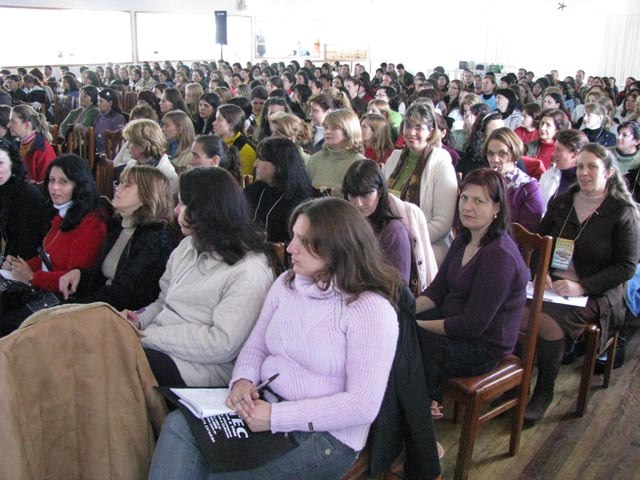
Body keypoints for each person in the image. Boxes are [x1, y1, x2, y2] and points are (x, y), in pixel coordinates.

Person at [148, 197, 400, 480]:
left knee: (217, 475)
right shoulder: (287, 284)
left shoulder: (370, 310)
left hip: (326, 436)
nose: (291, 248)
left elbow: (361, 406)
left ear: (337, 248)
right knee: (178, 425)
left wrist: (275, 418)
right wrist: (242, 380)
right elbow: (257, 345)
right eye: (293, 236)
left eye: (303, 242)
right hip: (265, 407)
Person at [119, 167, 276, 388]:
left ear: (206, 210)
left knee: (118, 362)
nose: (175, 211)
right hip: (163, 344)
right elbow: (164, 301)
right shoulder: (188, 245)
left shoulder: (249, 270)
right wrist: (140, 319)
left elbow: (222, 344)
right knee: (97, 341)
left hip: (205, 367)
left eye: (182, 204)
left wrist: (147, 336)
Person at [524, 144, 639, 423]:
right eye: (580, 167)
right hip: (554, 284)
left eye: (592, 167)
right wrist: (541, 271)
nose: (584, 173)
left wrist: (583, 286)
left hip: (596, 292)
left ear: (609, 172)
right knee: (515, 309)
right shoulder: (564, 200)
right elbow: (540, 243)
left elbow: (626, 266)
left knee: (548, 321)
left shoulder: (621, 211)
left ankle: (543, 390)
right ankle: (515, 380)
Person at [415, 168, 529, 417]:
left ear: (497, 207)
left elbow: (471, 326)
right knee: (402, 327)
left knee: (413, 341)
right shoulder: (463, 239)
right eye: (464, 198)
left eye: (479, 201)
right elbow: (437, 291)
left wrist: (417, 325)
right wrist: (405, 309)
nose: (467, 207)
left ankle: (423, 409)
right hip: (456, 325)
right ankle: (422, 404)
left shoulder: (499, 256)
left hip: (484, 347)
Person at [0, 154, 107, 336]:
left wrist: (32, 277)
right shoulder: (62, 215)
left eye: (63, 182)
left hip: (65, 301)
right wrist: (18, 266)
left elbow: (73, 281)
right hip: (44, 288)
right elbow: (47, 257)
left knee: (7, 321)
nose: (54, 187)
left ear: (78, 185)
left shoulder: (91, 224)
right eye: (51, 180)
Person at [58, 165, 176, 311]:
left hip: (123, 315)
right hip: (101, 306)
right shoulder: (119, 228)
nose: (117, 188)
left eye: (127, 185)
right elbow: (103, 276)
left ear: (147, 195)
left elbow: (125, 294)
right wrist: (80, 274)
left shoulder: (154, 238)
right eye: (120, 183)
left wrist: (72, 309)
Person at [382, 103, 458, 265]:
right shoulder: (395, 157)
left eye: (419, 127)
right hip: (387, 240)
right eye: (408, 126)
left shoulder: (441, 164)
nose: (411, 133)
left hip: (425, 248)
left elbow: (442, 223)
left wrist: (405, 241)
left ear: (430, 132)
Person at [343, 159, 412, 283]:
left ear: (380, 192)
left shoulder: (394, 232)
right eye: (353, 195)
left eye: (365, 195)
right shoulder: (345, 225)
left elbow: (400, 288)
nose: (358, 203)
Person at [244, 137, 313, 242]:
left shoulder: (298, 202)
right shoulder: (254, 190)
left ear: (279, 165)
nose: (255, 164)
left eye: (261, 159)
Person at [484, 127, 544, 232]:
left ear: (513, 155)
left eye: (502, 153)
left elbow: (526, 235)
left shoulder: (528, 188)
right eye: (490, 153)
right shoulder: (482, 182)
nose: (495, 159)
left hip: (508, 246)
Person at [0, 138, 46, 260]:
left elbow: (28, 244)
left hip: (26, 263)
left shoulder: (27, 195)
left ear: (12, 163)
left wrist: (10, 258)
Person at [307, 109, 366, 193]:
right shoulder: (314, 160)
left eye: (334, 128)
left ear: (348, 131)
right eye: (326, 127)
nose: (327, 132)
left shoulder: (360, 163)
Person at [118, 119, 178, 193]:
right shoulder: (132, 164)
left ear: (142, 146)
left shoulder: (166, 175)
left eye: (130, 142)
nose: (127, 147)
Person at [539, 129, 589, 212]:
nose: (553, 154)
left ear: (575, 154)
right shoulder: (549, 174)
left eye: (558, 149)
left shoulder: (585, 185)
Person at [8, 105, 56, 183]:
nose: (8, 125)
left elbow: (46, 186)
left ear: (27, 125)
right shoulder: (16, 145)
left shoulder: (43, 150)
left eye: (13, 121)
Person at [214, 104, 256, 176]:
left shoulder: (245, 149)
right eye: (215, 119)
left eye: (219, 120)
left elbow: (244, 181)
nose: (214, 123)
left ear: (231, 125)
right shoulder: (214, 143)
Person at [611, 120, 640, 201]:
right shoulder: (606, 153)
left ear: (636, 141)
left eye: (624, 135)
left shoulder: (638, 162)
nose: (619, 137)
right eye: (619, 134)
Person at [94, 88, 126, 155]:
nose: (98, 104)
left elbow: (116, 143)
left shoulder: (118, 119)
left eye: (101, 101)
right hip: (97, 152)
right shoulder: (98, 117)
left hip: (109, 154)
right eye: (98, 101)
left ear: (110, 103)